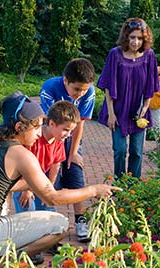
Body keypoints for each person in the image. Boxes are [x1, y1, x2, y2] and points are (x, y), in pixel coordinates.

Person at [0, 92, 121, 265]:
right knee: (59, 225)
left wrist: (33, 185)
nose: (40, 134)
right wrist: (93, 190)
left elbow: (5, 184)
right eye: (37, 127)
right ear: (19, 127)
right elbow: (52, 198)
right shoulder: (21, 154)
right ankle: (6, 260)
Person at [40, 58, 96, 242]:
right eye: (76, 89)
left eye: (84, 89)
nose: (80, 94)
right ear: (66, 81)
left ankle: (80, 220)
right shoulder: (50, 88)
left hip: (72, 138)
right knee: (50, 177)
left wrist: (73, 153)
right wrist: (57, 154)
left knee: (75, 172)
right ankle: (50, 222)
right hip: (51, 138)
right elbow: (50, 124)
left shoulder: (89, 92)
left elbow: (80, 124)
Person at [97, 17, 160, 180]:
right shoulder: (115, 54)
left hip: (139, 110)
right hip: (117, 110)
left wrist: (144, 110)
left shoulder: (149, 56)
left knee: (137, 152)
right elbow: (108, 86)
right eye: (133, 37)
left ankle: (133, 186)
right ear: (126, 36)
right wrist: (111, 113)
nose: (136, 42)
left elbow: (151, 87)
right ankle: (120, 183)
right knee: (119, 150)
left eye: (140, 38)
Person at [12, 100, 80, 214]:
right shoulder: (33, 138)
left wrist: (50, 188)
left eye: (71, 131)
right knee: (28, 214)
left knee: (49, 211)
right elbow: (22, 167)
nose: (68, 135)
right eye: (65, 130)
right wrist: (27, 189)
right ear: (52, 124)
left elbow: (55, 165)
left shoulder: (58, 141)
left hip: (40, 179)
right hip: (22, 180)